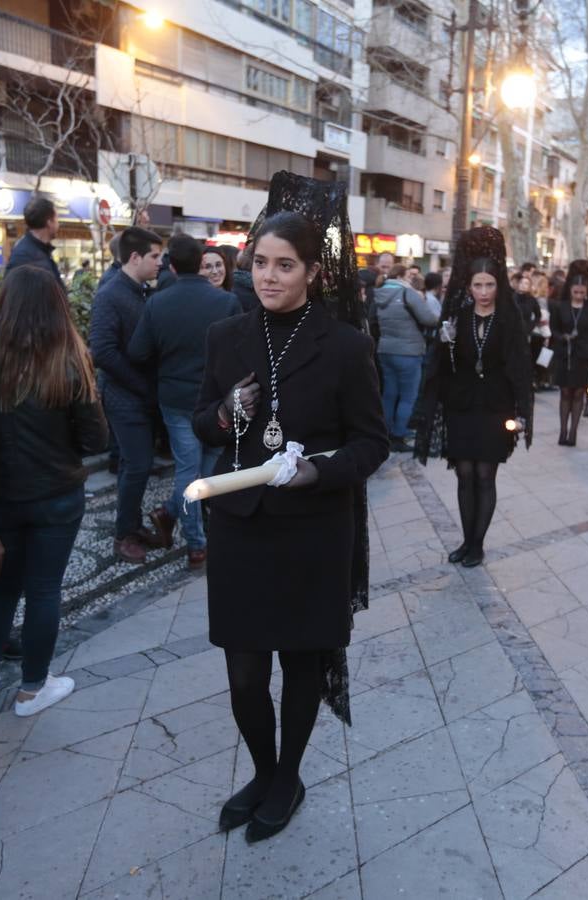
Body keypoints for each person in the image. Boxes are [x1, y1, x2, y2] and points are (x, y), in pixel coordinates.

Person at [193, 207, 387, 843]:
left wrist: (320, 473)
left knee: (303, 665)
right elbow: (200, 421)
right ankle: (265, 770)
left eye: (285, 265)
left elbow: (371, 443)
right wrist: (224, 413)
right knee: (245, 672)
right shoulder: (226, 336)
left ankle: (288, 777)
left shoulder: (347, 346)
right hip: (241, 528)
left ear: (311, 272)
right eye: (261, 263)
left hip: (311, 531)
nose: (268, 276)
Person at [0, 267, 107, 717]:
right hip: (57, 495)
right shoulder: (70, 362)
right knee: (43, 591)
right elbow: (96, 440)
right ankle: (32, 688)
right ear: (58, 306)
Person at [415, 226, 533, 567]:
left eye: (489, 285)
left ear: (499, 285)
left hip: (496, 407)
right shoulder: (459, 317)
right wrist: (445, 341)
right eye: (477, 285)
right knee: (464, 473)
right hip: (462, 405)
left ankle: (477, 544)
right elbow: (445, 367)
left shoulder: (509, 319)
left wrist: (522, 412)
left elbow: (521, 371)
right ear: (468, 287)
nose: (483, 292)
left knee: (485, 475)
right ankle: (466, 541)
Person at [128, 235, 241, 568]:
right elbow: (242, 353)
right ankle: (190, 534)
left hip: (177, 399)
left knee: (189, 472)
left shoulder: (158, 303)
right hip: (217, 399)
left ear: (172, 266)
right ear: (200, 264)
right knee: (210, 465)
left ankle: (188, 535)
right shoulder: (226, 302)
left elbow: (137, 352)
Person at [90, 227, 165, 565]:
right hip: (124, 397)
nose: (159, 263)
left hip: (140, 395)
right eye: (154, 257)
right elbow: (102, 352)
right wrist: (141, 386)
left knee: (135, 465)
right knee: (137, 465)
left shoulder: (141, 291)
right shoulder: (110, 294)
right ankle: (123, 536)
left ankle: (131, 525)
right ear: (135, 257)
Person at [373, 263, 439, 451]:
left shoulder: (379, 294)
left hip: (385, 349)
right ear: (402, 276)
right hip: (408, 351)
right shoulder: (406, 293)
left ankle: (385, 431)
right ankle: (399, 435)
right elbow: (429, 319)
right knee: (407, 396)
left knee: (389, 394)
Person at [548, 270, 588, 446]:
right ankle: (563, 430)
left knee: (578, 393)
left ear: (586, 292)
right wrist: (563, 337)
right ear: (570, 290)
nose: (578, 296)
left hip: (584, 356)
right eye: (575, 292)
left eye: (582, 293)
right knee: (565, 392)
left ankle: (573, 432)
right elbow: (553, 329)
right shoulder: (560, 307)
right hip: (564, 353)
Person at [6, 196, 63, 284]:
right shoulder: (24, 256)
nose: (58, 224)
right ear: (49, 223)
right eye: (57, 219)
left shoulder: (40, 251)